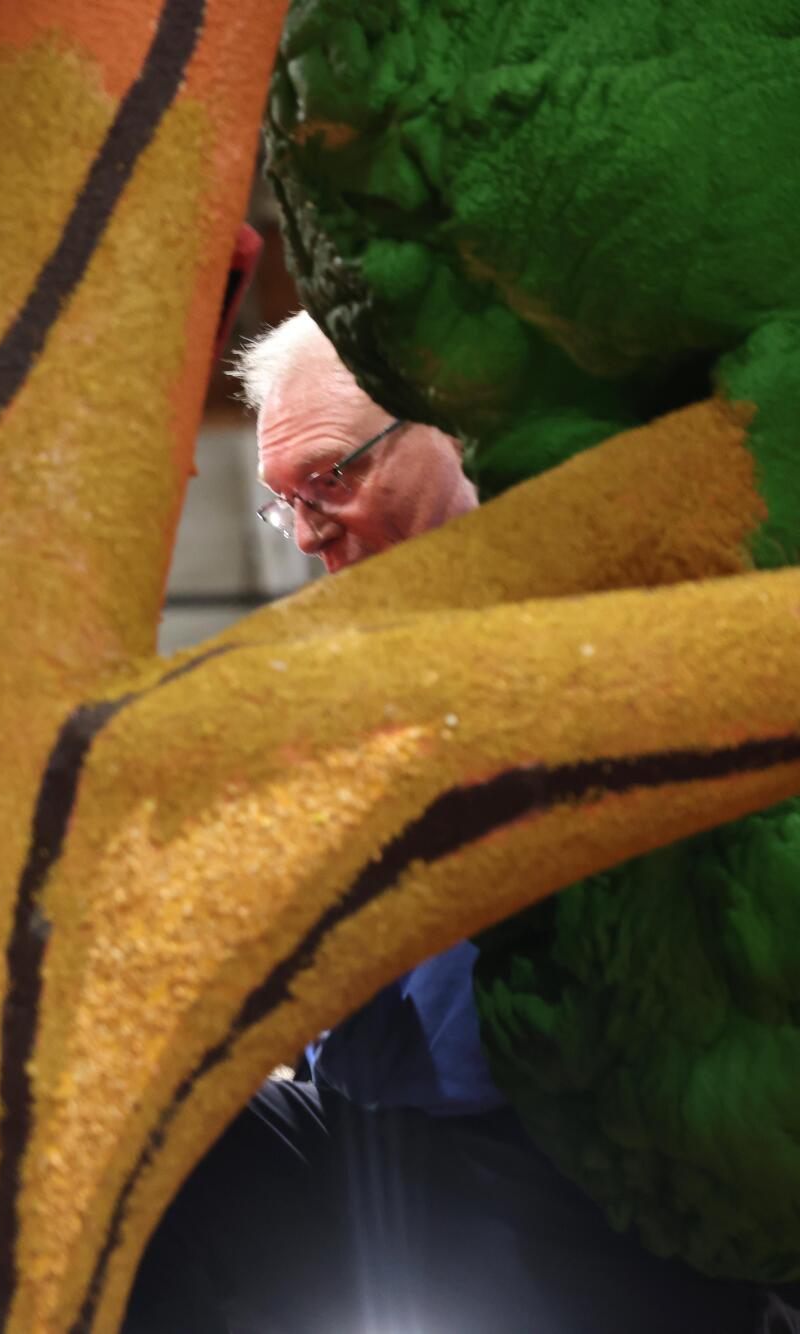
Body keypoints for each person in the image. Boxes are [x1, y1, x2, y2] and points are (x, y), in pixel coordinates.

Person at [119, 312, 785, 1334]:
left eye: (326, 480)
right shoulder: (359, 660)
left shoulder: (624, 603)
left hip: (569, 1180)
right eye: (282, 505)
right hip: (370, 1147)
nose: (304, 531)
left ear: (449, 432)